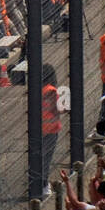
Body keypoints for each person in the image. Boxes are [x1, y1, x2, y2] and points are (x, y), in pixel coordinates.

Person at [41, 63, 62, 196]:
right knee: (46, 159)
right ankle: (43, 185)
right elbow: (61, 108)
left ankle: (39, 183)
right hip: (51, 130)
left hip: (39, 129)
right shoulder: (52, 91)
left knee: (39, 158)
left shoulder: (39, 89)